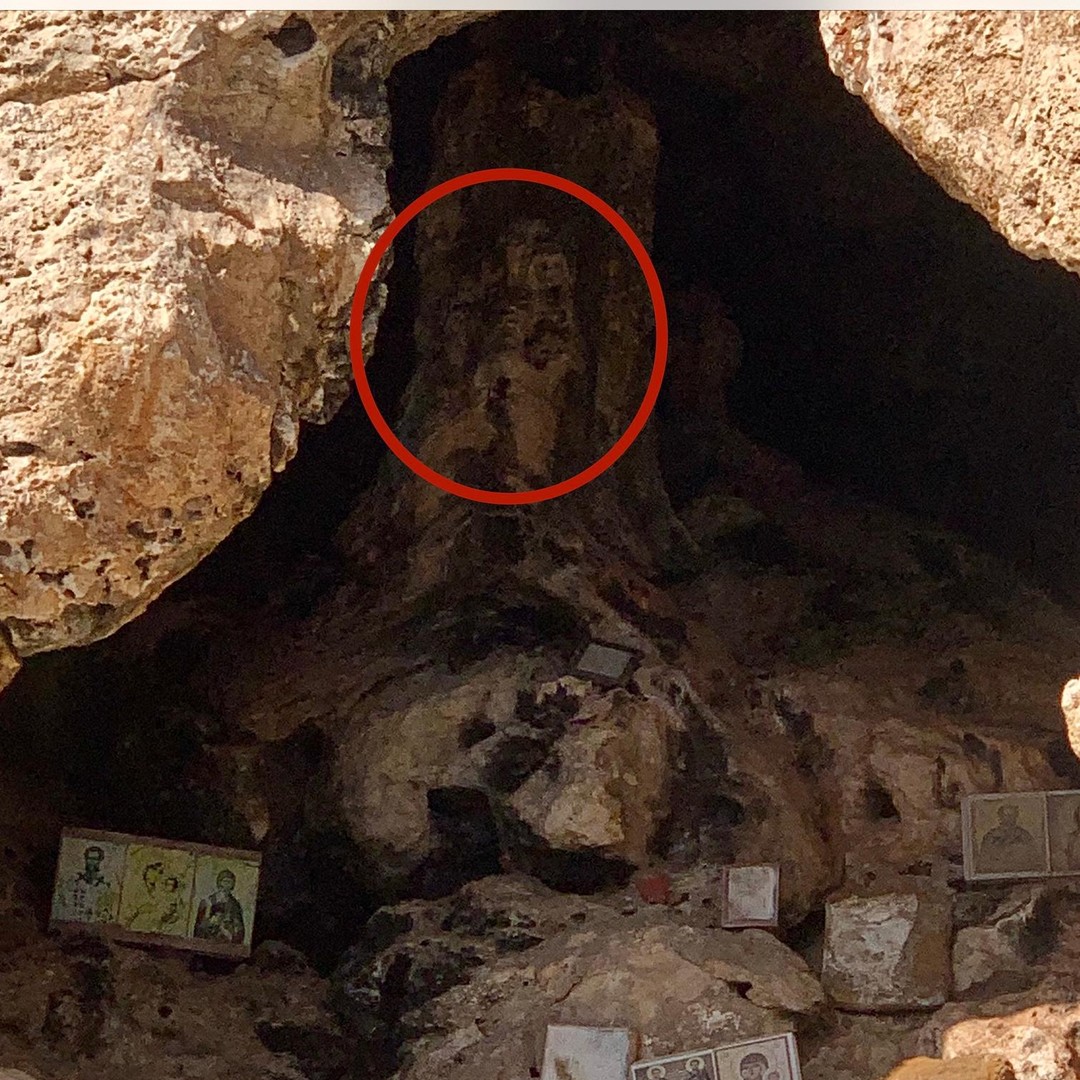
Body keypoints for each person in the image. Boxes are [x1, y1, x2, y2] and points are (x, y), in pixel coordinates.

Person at [57, 844, 115, 923]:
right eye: (89, 858)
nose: (91, 862)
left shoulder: (104, 885)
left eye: (95, 859)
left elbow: (106, 909)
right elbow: (63, 900)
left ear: (100, 861)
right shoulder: (75, 880)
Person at [977, 803, 1041, 874]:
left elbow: (1034, 860)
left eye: (1012, 815)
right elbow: (983, 862)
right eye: (1006, 815)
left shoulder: (1024, 835)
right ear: (1000, 817)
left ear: (1016, 816)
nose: (1009, 818)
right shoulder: (990, 837)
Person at [193, 868, 245, 944]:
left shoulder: (235, 905)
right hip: (208, 941)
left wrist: (229, 932)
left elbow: (239, 929)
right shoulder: (207, 902)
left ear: (232, 885)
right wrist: (210, 923)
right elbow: (199, 927)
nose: (226, 885)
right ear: (219, 883)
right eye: (224, 881)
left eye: (229, 882)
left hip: (226, 942)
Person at [123, 861, 168, 932]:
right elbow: (133, 910)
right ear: (146, 876)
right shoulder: (139, 890)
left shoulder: (160, 891)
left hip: (155, 927)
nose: (154, 876)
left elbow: (163, 907)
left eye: (156, 874)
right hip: (139, 926)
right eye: (151, 874)